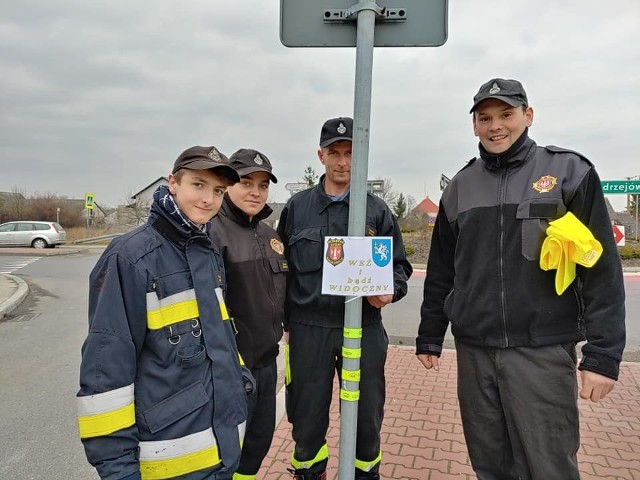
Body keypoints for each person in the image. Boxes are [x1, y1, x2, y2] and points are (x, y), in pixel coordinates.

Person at [416, 78, 626, 480]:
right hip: (475, 353)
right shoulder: (459, 187)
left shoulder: (569, 172)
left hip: (542, 352)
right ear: (474, 125)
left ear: (527, 116)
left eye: (506, 115)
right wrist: (430, 335)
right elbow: (443, 269)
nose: (496, 126)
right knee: (490, 465)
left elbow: (601, 271)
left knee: (548, 466)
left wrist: (603, 356)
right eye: (485, 118)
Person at [77, 146, 255, 480]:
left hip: (222, 453)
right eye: (198, 185)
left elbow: (220, 341)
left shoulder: (209, 251)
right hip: (167, 461)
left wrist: (242, 384)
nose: (208, 199)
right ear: (173, 182)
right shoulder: (129, 258)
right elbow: (106, 377)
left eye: (217, 191)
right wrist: (119, 471)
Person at [277, 117, 413, 480]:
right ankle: (309, 473)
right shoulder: (296, 208)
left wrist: (390, 290)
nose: (342, 161)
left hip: (364, 327)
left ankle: (365, 474)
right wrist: (285, 325)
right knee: (306, 419)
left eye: (351, 153)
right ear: (320, 155)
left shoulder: (377, 211)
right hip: (309, 330)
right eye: (334, 153)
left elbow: (400, 267)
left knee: (366, 418)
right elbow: (281, 272)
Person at [210, 148, 287, 480]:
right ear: (228, 184)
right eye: (246, 182)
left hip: (266, 362)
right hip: (230, 367)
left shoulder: (271, 236)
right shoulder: (212, 233)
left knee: (258, 441)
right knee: (225, 448)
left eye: (263, 185)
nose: (256, 192)